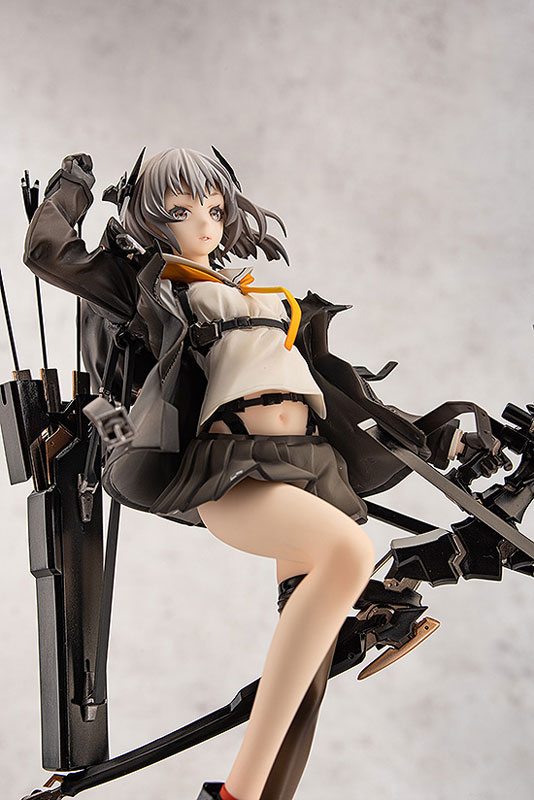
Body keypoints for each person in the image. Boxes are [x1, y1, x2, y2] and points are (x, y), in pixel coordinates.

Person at [24, 148, 464, 800]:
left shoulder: (248, 288)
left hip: (309, 465)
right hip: (233, 472)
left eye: (213, 207)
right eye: (181, 211)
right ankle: (235, 795)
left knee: (308, 663)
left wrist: (426, 433)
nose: (204, 223)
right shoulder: (148, 285)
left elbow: (334, 385)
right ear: (149, 219)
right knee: (349, 553)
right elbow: (47, 254)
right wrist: (72, 189)